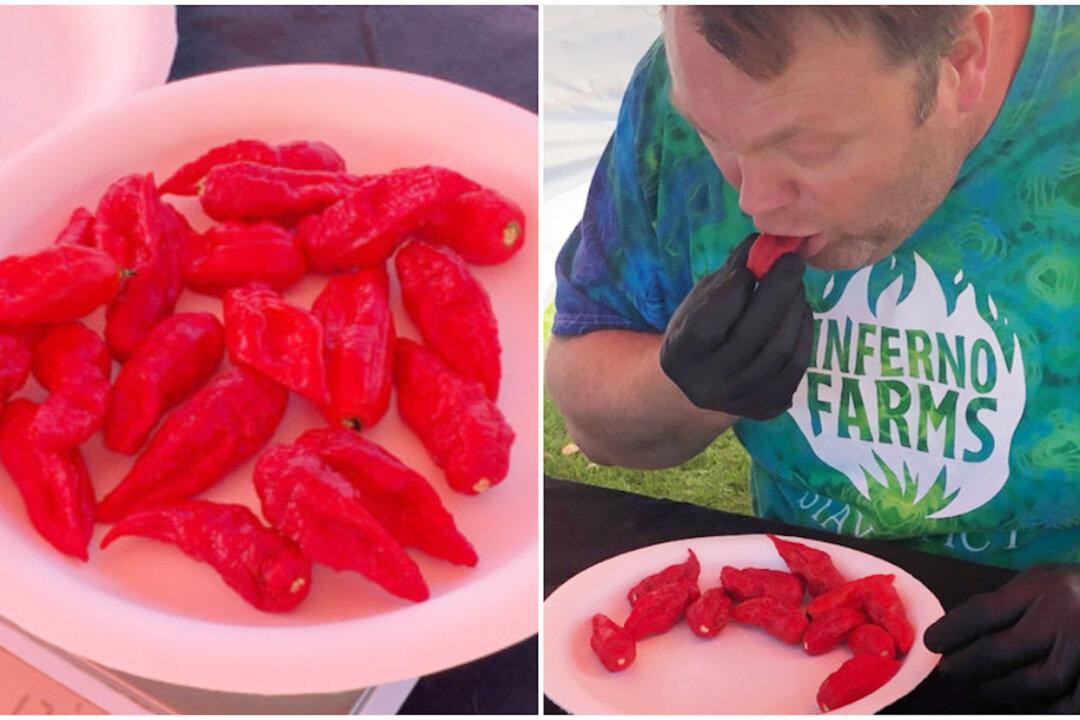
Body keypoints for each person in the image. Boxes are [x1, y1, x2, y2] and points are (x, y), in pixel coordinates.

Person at [546, 5, 1080, 710]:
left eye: (809, 146)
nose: (756, 201)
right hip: (795, 642)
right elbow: (588, 415)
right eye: (713, 137)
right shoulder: (695, 77)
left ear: (962, 60)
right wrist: (687, 386)